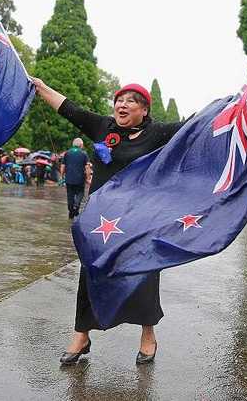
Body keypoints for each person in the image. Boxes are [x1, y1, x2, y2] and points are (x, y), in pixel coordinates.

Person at [33, 78, 184, 365]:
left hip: (138, 220)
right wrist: (41, 88)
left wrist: (233, 104)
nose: (121, 104)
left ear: (144, 110)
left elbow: (195, 127)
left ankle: (148, 335)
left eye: (131, 101)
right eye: (119, 99)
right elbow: (69, 109)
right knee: (91, 272)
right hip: (102, 221)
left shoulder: (158, 133)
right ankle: (81, 334)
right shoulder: (103, 127)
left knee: (144, 274)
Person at [62, 138, 89, 218]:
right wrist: (88, 178)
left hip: (69, 179)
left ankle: (71, 210)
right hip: (80, 179)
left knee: (70, 195)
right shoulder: (84, 154)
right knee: (80, 193)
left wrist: (62, 176)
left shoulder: (67, 153)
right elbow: (87, 167)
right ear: (81, 145)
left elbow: (63, 166)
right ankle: (76, 205)